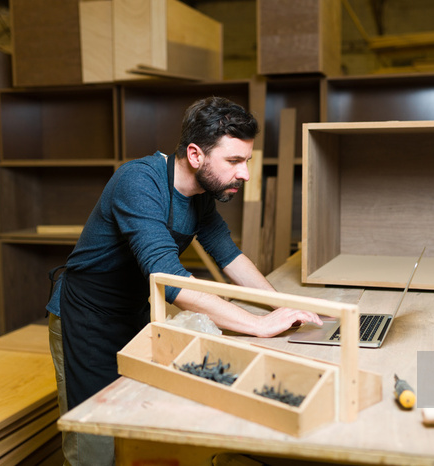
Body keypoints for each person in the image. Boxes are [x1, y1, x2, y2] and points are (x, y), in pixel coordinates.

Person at [47, 96, 323, 465]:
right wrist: (258, 324)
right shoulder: (139, 182)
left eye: (247, 161)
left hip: (133, 313)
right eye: (234, 161)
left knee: (139, 420)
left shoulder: (201, 196)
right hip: (85, 317)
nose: (244, 173)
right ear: (196, 155)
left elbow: (230, 256)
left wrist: (284, 307)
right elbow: (169, 280)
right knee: (94, 442)